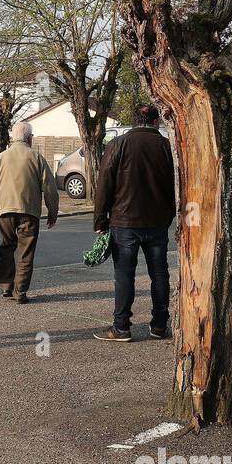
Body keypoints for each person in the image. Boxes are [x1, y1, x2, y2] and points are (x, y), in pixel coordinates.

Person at [92, 104, 175, 342]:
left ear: (135, 120)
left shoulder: (118, 144)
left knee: (124, 275)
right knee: (160, 274)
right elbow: (176, 184)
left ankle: (122, 327)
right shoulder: (166, 147)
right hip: (157, 220)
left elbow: (104, 183)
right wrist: (171, 214)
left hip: (124, 220)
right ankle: (159, 324)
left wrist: (100, 218)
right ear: (156, 121)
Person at [0, 121, 59, 303]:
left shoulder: (1, 157)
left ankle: (6, 287)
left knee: (7, 247)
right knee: (25, 253)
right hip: (29, 212)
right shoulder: (37, 158)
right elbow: (50, 190)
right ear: (30, 138)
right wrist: (52, 213)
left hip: (5, 212)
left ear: (12, 138)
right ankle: (20, 292)